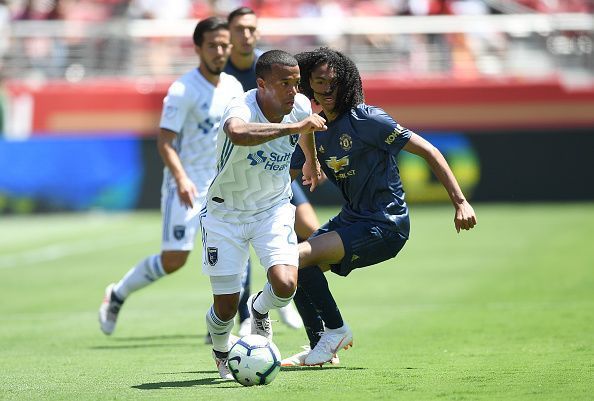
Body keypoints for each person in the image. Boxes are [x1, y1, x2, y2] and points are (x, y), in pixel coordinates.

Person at [283, 47, 477, 366]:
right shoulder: (318, 129)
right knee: (292, 261)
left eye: (334, 81)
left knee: (294, 257)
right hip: (354, 219)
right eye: (319, 82)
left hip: (385, 224)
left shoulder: (367, 118)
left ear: (347, 82)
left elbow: (429, 151)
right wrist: (312, 168)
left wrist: (460, 202)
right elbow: (300, 167)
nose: (327, 89)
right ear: (308, 87)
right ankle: (322, 347)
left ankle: (335, 331)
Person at [98, 17, 245, 335]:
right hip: (187, 184)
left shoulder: (234, 87)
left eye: (224, 45)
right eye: (212, 46)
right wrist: (181, 179)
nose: (220, 52)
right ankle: (118, 293)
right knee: (174, 259)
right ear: (197, 49)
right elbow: (164, 142)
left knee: (232, 249)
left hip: (221, 185)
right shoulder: (182, 90)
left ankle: (223, 324)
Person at [201, 49, 325, 379]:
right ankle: (221, 349)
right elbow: (239, 134)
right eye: (285, 83)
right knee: (226, 307)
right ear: (262, 84)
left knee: (285, 285)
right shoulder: (241, 106)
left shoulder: (298, 106)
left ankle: (259, 308)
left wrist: (310, 160)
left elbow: (306, 130)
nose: (293, 91)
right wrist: (295, 128)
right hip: (225, 213)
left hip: (272, 208)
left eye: (297, 83)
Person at [222, 6, 314, 335]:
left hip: (277, 164)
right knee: (239, 240)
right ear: (228, 35)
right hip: (241, 165)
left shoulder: (275, 64)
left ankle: (280, 295)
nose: (246, 35)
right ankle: (245, 313)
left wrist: (309, 162)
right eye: (239, 30)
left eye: (251, 28)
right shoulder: (220, 75)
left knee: (311, 230)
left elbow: (301, 120)